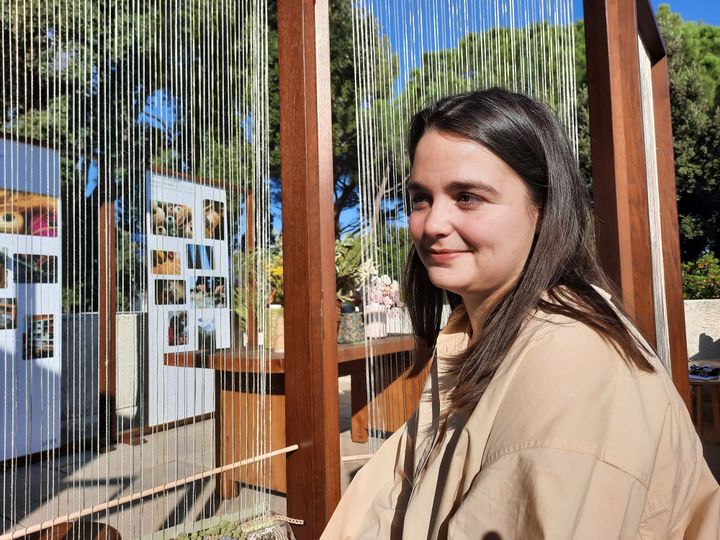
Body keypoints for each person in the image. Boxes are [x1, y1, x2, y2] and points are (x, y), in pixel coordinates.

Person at [321, 88, 720, 539]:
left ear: (543, 208)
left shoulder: (571, 367)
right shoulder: (477, 334)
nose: (432, 224)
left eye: (467, 196)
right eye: (421, 198)